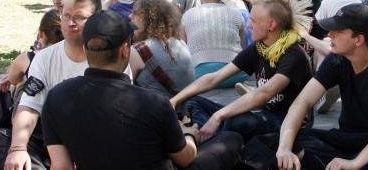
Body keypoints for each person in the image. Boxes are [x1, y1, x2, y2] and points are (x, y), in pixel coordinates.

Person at [42, 10, 243, 170]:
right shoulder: (154, 103)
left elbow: (60, 166)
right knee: (231, 139)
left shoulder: (56, 97)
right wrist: (188, 133)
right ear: (124, 50)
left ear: (85, 50)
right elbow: (185, 158)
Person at [275, 4, 368, 170]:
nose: (330, 35)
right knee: (286, 138)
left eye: (338, 31)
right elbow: (302, 102)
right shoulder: (337, 59)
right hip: (346, 140)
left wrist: (355, 163)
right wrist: (285, 148)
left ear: (358, 39)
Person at [171, 0, 314, 145]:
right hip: (263, 116)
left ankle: (206, 143)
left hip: (287, 126)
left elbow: (263, 94)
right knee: (190, 102)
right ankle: (204, 139)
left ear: (271, 25)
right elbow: (214, 78)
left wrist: (219, 115)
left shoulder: (294, 54)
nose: (248, 25)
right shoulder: (259, 48)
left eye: (253, 20)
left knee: (235, 121)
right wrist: (174, 100)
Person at [0, 0, 109, 170]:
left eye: (79, 17)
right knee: (0, 140)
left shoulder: (109, 56)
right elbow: (29, 106)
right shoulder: (44, 58)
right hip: (48, 137)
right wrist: (18, 148)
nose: (70, 23)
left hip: (90, 140)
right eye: (66, 15)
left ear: (97, 18)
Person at [180, 0, 246, 85]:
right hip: (234, 74)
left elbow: (182, 48)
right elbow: (242, 45)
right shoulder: (236, 14)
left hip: (199, 76)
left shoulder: (188, 15)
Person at [129, 0, 194, 98]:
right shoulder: (181, 44)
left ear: (144, 17)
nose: (130, 16)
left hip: (155, 111)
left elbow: (124, 89)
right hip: (185, 110)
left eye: (134, 12)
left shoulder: (138, 51)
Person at [0, 10, 63, 98]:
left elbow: (13, 80)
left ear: (41, 33)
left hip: (36, 108)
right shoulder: (79, 57)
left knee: (21, 84)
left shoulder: (27, 58)